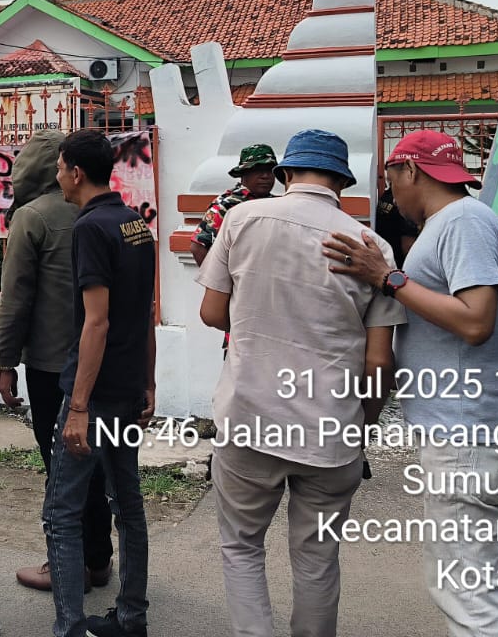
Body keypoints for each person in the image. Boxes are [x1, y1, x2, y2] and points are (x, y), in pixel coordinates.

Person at [198, 129, 404, 637]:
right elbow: (380, 362)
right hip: (331, 431)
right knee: (317, 559)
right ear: (342, 182)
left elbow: (212, 313)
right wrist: (364, 425)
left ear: (286, 174)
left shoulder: (242, 219)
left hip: (249, 418)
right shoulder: (373, 248)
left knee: (242, 546)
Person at [325, 129, 498, 637]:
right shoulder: (456, 221)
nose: (390, 195)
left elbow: (476, 321)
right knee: (466, 581)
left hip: (466, 434)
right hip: (466, 431)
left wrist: (387, 278)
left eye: (390, 180)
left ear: (410, 170)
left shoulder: (461, 221)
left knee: (469, 595)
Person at [44, 130, 156, 637]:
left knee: (62, 513)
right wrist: (148, 383)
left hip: (96, 395)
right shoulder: (134, 223)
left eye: (59, 167)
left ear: (75, 172)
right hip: (128, 389)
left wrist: (78, 406)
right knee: (127, 506)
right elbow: (145, 312)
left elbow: (97, 321)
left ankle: (70, 627)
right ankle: (132, 616)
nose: (57, 176)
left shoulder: (89, 228)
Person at [0, 130, 113, 593]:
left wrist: (5, 360)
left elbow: (16, 298)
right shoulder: (107, 214)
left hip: (50, 364)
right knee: (97, 464)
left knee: (61, 467)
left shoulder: (33, 217)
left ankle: (69, 565)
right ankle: (98, 559)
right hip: (102, 361)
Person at [188, 144, 277, 267]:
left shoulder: (277, 204)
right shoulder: (226, 205)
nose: (265, 176)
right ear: (243, 174)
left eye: (270, 170)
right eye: (258, 170)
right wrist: (218, 278)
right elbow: (198, 248)